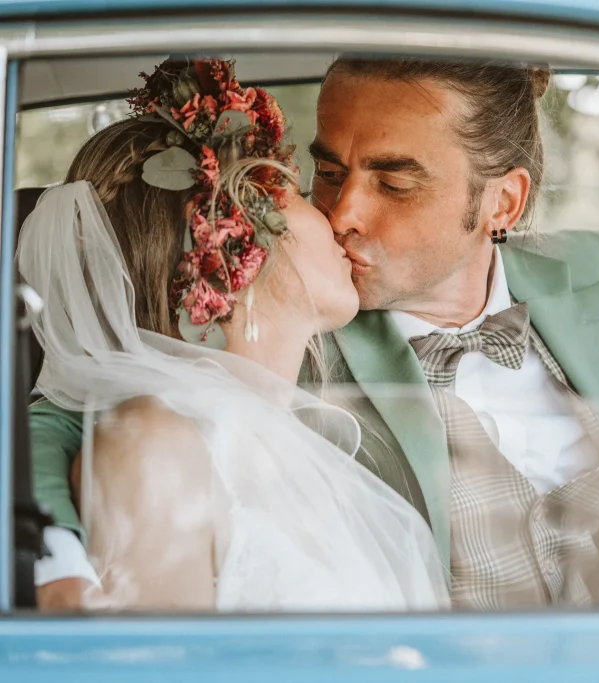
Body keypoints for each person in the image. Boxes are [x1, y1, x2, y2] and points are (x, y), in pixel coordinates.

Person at [31, 56, 599, 611]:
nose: (343, 210)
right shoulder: (273, 323)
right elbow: (81, 403)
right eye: (328, 170)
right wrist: (60, 567)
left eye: (396, 182)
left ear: (500, 201)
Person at [20, 58, 448, 611]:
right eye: (297, 190)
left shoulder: (301, 445)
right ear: (231, 244)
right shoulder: (153, 443)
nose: (337, 216)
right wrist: (55, 562)